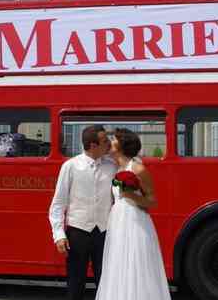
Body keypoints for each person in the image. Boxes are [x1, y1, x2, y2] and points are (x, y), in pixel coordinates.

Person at [95, 128, 171, 300]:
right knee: (118, 263)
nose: (110, 142)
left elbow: (152, 201)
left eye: (113, 139)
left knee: (136, 262)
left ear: (121, 145)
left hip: (135, 221)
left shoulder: (138, 168)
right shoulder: (114, 166)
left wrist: (131, 195)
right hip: (118, 221)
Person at [49, 124, 117, 300]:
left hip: (105, 232)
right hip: (78, 232)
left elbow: (120, 198)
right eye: (104, 141)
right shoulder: (70, 166)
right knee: (75, 283)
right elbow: (58, 203)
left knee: (106, 282)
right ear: (93, 145)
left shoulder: (112, 167)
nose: (109, 143)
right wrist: (59, 234)